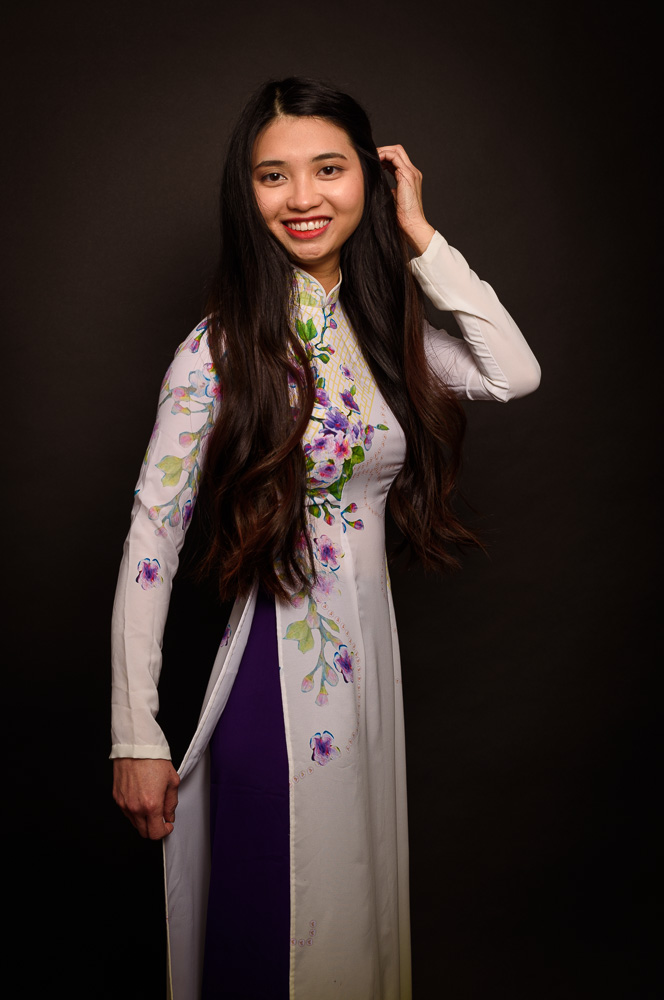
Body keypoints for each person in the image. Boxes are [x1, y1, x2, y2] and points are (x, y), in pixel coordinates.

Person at [110, 77, 540, 1000]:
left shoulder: (378, 335)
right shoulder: (220, 349)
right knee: (288, 923)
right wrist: (133, 734)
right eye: (273, 175)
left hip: (370, 672)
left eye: (328, 169)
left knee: (357, 917)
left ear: (368, 181)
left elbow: (513, 372)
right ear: (246, 193)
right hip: (278, 677)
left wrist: (420, 235)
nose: (301, 197)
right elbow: (151, 539)